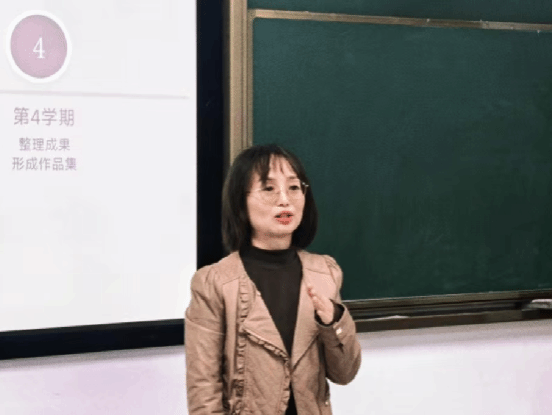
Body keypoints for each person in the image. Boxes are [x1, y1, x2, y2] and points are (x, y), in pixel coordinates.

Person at [185, 144, 361, 414]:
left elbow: (344, 374)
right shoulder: (214, 283)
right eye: (269, 189)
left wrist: (334, 321)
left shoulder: (325, 272)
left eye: (294, 187)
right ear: (240, 201)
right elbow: (203, 392)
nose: (285, 200)